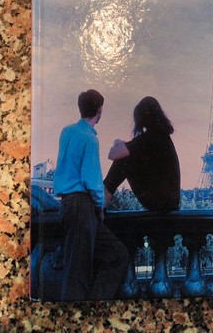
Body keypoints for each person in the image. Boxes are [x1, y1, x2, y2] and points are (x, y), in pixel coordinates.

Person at [54, 89, 129, 301]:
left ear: (80, 108)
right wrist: (100, 207)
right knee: (80, 272)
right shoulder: (90, 139)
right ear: (100, 110)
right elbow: (92, 180)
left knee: (111, 256)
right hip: (82, 205)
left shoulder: (67, 132)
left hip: (67, 204)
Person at [104, 96, 181, 212]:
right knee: (127, 156)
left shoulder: (148, 139)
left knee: (124, 160)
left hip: (159, 203)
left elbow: (112, 155)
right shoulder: (163, 138)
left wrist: (118, 143)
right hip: (170, 203)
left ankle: (101, 203)